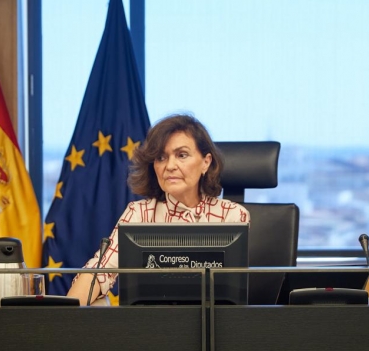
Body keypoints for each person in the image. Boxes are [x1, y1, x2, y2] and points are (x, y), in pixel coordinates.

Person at [67, 114, 251, 304]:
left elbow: (231, 298)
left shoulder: (232, 215)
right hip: (151, 327)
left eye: (182, 155)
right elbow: (100, 272)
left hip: (211, 327)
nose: (170, 166)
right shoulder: (139, 213)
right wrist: (62, 320)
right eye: (161, 157)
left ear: (206, 162)